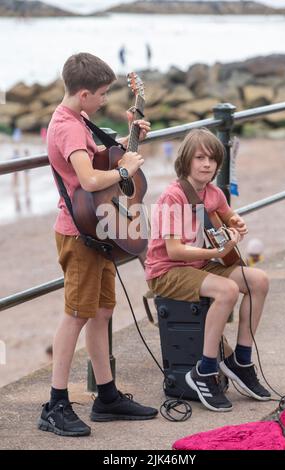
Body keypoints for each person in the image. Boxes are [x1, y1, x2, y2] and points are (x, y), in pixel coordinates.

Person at [38, 52, 157, 437]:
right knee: (75, 314)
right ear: (84, 93)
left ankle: (106, 395)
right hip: (78, 232)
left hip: (96, 228)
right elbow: (90, 179)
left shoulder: (79, 119)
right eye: (103, 94)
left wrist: (127, 140)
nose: (106, 99)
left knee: (103, 311)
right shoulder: (68, 127)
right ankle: (55, 404)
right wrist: (126, 169)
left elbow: (97, 156)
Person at [145, 128, 271, 412]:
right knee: (226, 290)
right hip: (167, 271)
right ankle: (205, 369)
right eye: (199, 157)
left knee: (258, 281)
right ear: (186, 161)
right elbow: (175, 251)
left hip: (200, 263)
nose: (206, 164)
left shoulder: (212, 193)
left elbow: (228, 214)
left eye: (212, 159)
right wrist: (215, 252)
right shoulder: (172, 197)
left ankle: (240, 359)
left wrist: (237, 224)